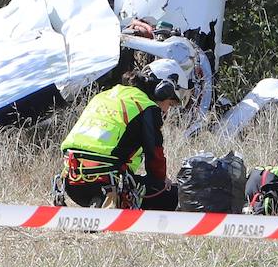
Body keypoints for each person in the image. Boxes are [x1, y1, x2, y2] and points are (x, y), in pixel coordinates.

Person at [58, 58, 191, 210]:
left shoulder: (103, 96)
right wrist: (161, 182)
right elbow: (155, 157)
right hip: (107, 182)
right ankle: (108, 201)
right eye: (169, 104)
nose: (167, 110)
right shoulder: (146, 107)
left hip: (71, 184)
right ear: (162, 90)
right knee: (172, 196)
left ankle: (100, 202)